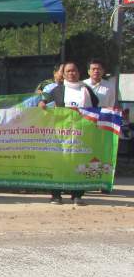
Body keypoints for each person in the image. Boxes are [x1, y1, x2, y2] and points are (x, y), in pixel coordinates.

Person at [39, 61, 99, 206]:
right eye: (68, 71)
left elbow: (96, 108)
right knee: (59, 162)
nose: (72, 73)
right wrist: (42, 104)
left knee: (79, 162)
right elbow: (44, 102)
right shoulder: (57, 90)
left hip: (81, 134)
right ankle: (56, 195)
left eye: (74, 70)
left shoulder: (86, 89)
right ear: (64, 74)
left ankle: (77, 195)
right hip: (61, 134)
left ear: (79, 73)